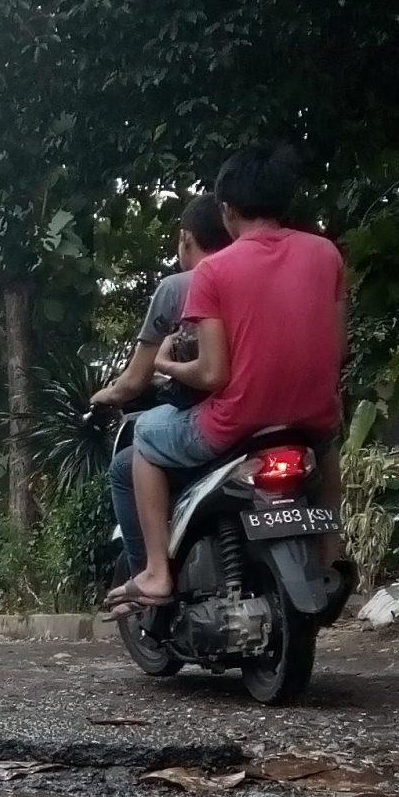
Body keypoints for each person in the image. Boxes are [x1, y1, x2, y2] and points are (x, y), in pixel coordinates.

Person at [105, 143, 347, 618]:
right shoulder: (326, 255)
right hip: (312, 418)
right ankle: (331, 551)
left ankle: (155, 571)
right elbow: (337, 348)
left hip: (236, 421)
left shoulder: (214, 270)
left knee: (145, 441)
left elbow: (213, 372)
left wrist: (168, 367)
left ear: (228, 210)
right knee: (329, 447)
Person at [96, 195, 231, 576]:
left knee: (130, 459)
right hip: (284, 412)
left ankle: (152, 576)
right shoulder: (263, 275)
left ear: (186, 237)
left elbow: (136, 380)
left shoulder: (180, 287)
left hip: (221, 417)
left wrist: (106, 394)